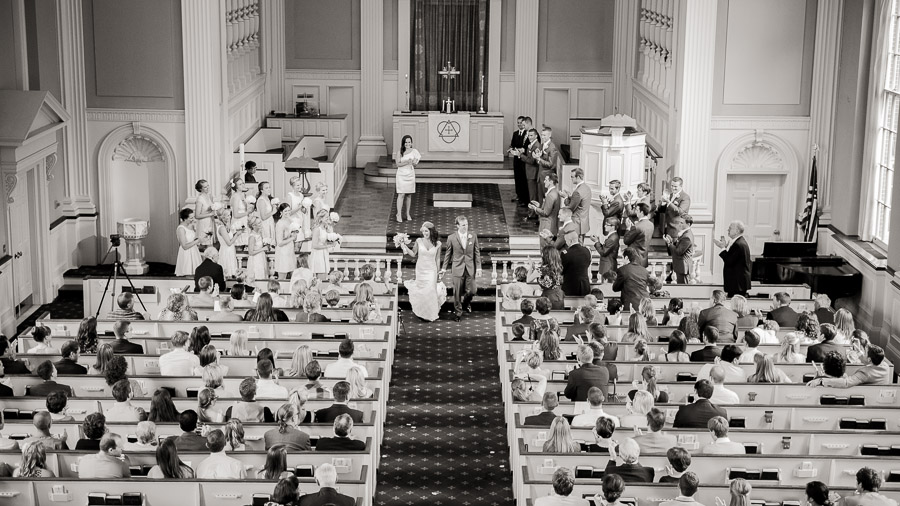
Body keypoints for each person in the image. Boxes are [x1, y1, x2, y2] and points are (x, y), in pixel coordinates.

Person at [399, 221, 445, 322]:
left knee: (430, 291)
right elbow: (413, 254)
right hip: (421, 269)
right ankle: (422, 313)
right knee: (422, 292)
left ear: (431, 231)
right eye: (423, 231)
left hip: (431, 270)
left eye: (426, 231)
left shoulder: (438, 243)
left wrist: (438, 272)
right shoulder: (419, 241)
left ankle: (430, 314)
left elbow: (437, 259)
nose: (425, 233)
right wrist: (405, 246)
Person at [440, 215, 482, 321]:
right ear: (457, 226)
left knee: (472, 290)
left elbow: (477, 253)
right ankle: (458, 313)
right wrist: (444, 269)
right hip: (457, 268)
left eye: (467, 224)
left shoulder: (473, 236)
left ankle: (466, 304)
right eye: (463, 225)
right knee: (457, 292)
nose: (466, 227)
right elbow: (448, 255)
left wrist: (479, 268)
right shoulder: (451, 238)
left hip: (470, 268)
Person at [810, 344, 889, 387]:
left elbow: (846, 383)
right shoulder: (885, 366)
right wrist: (860, 354)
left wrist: (821, 380)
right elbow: (871, 361)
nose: (862, 352)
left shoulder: (864, 374)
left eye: (864, 352)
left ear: (869, 359)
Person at [714, 220, 751, 297]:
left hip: (737, 284)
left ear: (737, 231)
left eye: (730, 228)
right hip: (737, 283)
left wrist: (722, 248)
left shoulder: (738, 244)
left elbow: (729, 261)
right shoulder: (739, 242)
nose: (728, 230)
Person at [613, 247, 651, 311]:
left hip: (631, 305)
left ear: (626, 258)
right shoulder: (645, 271)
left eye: (622, 258)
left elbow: (615, 288)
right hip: (645, 304)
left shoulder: (622, 270)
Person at [530, 172, 562, 246]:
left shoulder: (551, 195)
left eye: (546, 180)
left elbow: (546, 213)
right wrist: (539, 206)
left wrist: (535, 208)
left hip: (547, 225)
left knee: (544, 247)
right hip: (551, 223)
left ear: (551, 182)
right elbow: (549, 208)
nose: (544, 181)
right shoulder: (554, 192)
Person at [395, 134, 420, 222]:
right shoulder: (400, 152)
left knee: (409, 194)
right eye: (406, 142)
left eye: (409, 142)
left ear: (411, 143)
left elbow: (415, 164)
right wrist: (407, 162)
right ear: (403, 143)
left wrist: (413, 163)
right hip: (401, 175)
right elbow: (397, 164)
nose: (407, 144)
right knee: (401, 194)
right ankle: (398, 214)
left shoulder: (415, 152)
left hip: (410, 174)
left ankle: (407, 213)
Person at [561, 167, 592, 240]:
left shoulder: (577, 192)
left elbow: (571, 208)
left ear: (578, 177)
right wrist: (570, 197)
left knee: (576, 246)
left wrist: (565, 197)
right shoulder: (587, 187)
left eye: (572, 177)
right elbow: (581, 203)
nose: (571, 179)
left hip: (577, 223)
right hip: (584, 222)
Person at [559, 231, 591, 297]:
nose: (566, 243)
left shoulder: (566, 254)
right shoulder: (587, 250)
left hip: (570, 286)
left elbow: (562, 270)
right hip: (584, 285)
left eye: (566, 241)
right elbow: (588, 264)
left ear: (570, 241)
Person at [665, 215, 695, 284]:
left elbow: (678, 251)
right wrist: (671, 241)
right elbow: (679, 246)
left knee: (683, 289)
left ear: (688, 224)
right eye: (679, 222)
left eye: (682, 223)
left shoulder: (687, 237)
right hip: (682, 266)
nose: (679, 225)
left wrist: (669, 243)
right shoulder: (685, 233)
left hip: (683, 267)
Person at [623, 202, 654, 267]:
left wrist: (628, 228)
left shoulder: (637, 226)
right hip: (644, 258)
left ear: (641, 212)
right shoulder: (651, 225)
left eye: (637, 210)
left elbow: (626, 240)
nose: (635, 212)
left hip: (634, 258)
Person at [520, 128, 542, 215]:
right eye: (529, 135)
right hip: (530, 173)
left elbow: (532, 161)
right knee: (531, 193)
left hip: (533, 173)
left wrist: (521, 155)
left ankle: (532, 213)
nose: (529, 137)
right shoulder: (532, 144)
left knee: (533, 194)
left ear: (536, 136)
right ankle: (532, 211)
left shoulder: (536, 145)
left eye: (531, 135)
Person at [272, 202, 297, 278]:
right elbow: (279, 243)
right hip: (283, 252)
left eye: (289, 210)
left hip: (290, 250)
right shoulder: (280, 224)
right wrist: (292, 238)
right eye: (285, 211)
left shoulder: (290, 221)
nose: (288, 212)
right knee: (283, 275)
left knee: (293, 274)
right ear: (281, 212)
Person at [509, 116, 530, 205]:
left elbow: (526, 147)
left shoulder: (528, 133)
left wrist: (521, 150)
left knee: (522, 179)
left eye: (521, 122)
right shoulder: (515, 133)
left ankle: (523, 197)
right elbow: (513, 144)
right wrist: (511, 149)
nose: (519, 124)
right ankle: (518, 195)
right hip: (516, 159)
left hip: (523, 159)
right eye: (518, 122)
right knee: (517, 177)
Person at [175, 208, 203, 276]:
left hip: (194, 251)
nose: (193, 219)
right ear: (185, 218)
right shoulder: (181, 229)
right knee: (188, 273)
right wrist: (197, 241)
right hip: (186, 253)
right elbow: (184, 246)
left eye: (193, 217)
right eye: (191, 218)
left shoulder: (191, 226)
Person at [310, 209, 337, 276]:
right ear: (321, 218)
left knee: (325, 276)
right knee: (321, 275)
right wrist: (328, 246)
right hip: (318, 255)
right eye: (326, 217)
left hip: (324, 253)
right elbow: (314, 245)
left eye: (328, 217)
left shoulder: (325, 229)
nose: (328, 219)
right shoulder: (317, 229)